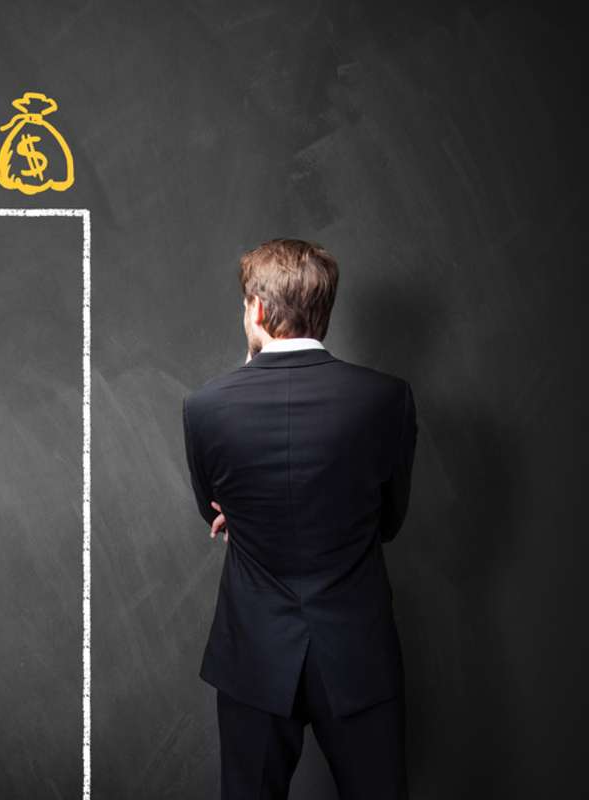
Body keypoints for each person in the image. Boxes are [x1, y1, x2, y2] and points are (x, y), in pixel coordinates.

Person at [181, 239, 418, 799]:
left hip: (254, 655)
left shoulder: (207, 408)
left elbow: (211, 508)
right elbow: (390, 520)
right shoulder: (387, 399)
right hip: (358, 654)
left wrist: (242, 516)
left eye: (246, 306)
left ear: (257, 310)